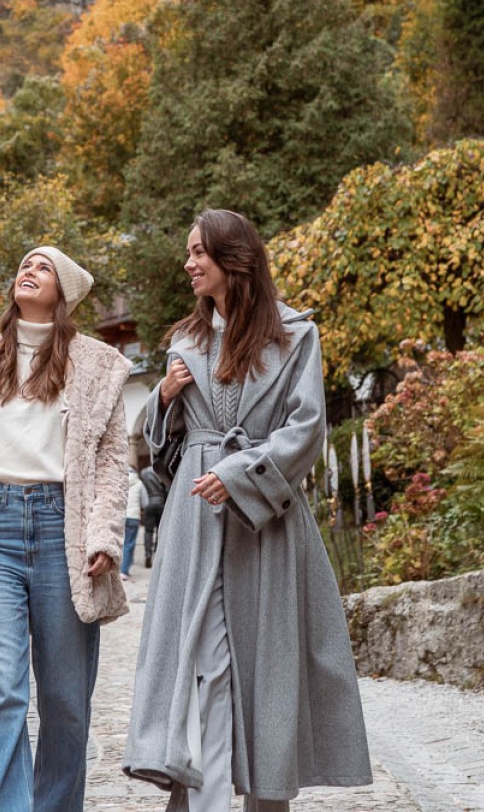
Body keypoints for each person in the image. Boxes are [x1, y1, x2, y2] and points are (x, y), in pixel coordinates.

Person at [124, 210, 372, 811]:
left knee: (268, 677)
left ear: (232, 259)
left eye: (198, 253)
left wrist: (237, 477)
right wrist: (163, 398)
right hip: (196, 525)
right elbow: (158, 451)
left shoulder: (295, 336)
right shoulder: (185, 343)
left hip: (265, 522)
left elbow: (307, 428)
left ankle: (267, 803)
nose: (187, 264)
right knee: (203, 665)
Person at [0, 246, 132, 812]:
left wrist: (105, 535)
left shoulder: (100, 367)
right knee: (1, 698)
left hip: (66, 531)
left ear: (64, 290)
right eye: (25, 263)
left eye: (43, 266)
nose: (28, 270)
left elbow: (112, 462)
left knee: (65, 701)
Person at [138, 464, 167, 567]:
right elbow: (167, 488)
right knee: (160, 531)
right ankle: (158, 554)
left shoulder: (144, 473)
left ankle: (147, 553)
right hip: (161, 503)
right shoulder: (160, 471)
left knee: (148, 531)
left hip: (148, 503)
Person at [121, 467, 143, 579]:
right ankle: (124, 571)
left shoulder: (119, 481)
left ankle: (117, 569)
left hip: (120, 516)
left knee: (119, 543)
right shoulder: (139, 483)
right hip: (133, 517)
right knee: (129, 544)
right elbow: (145, 501)